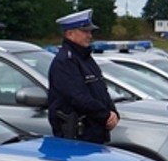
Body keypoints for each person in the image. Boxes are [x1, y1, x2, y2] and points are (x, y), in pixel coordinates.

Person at [47, 9, 119, 143]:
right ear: (70, 34)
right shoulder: (65, 62)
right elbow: (78, 97)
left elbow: (101, 90)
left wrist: (113, 112)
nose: (90, 36)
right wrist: (105, 115)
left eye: (90, 32)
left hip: (95, 134)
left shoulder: (86, 58)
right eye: (85, 32)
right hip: (78, 137)